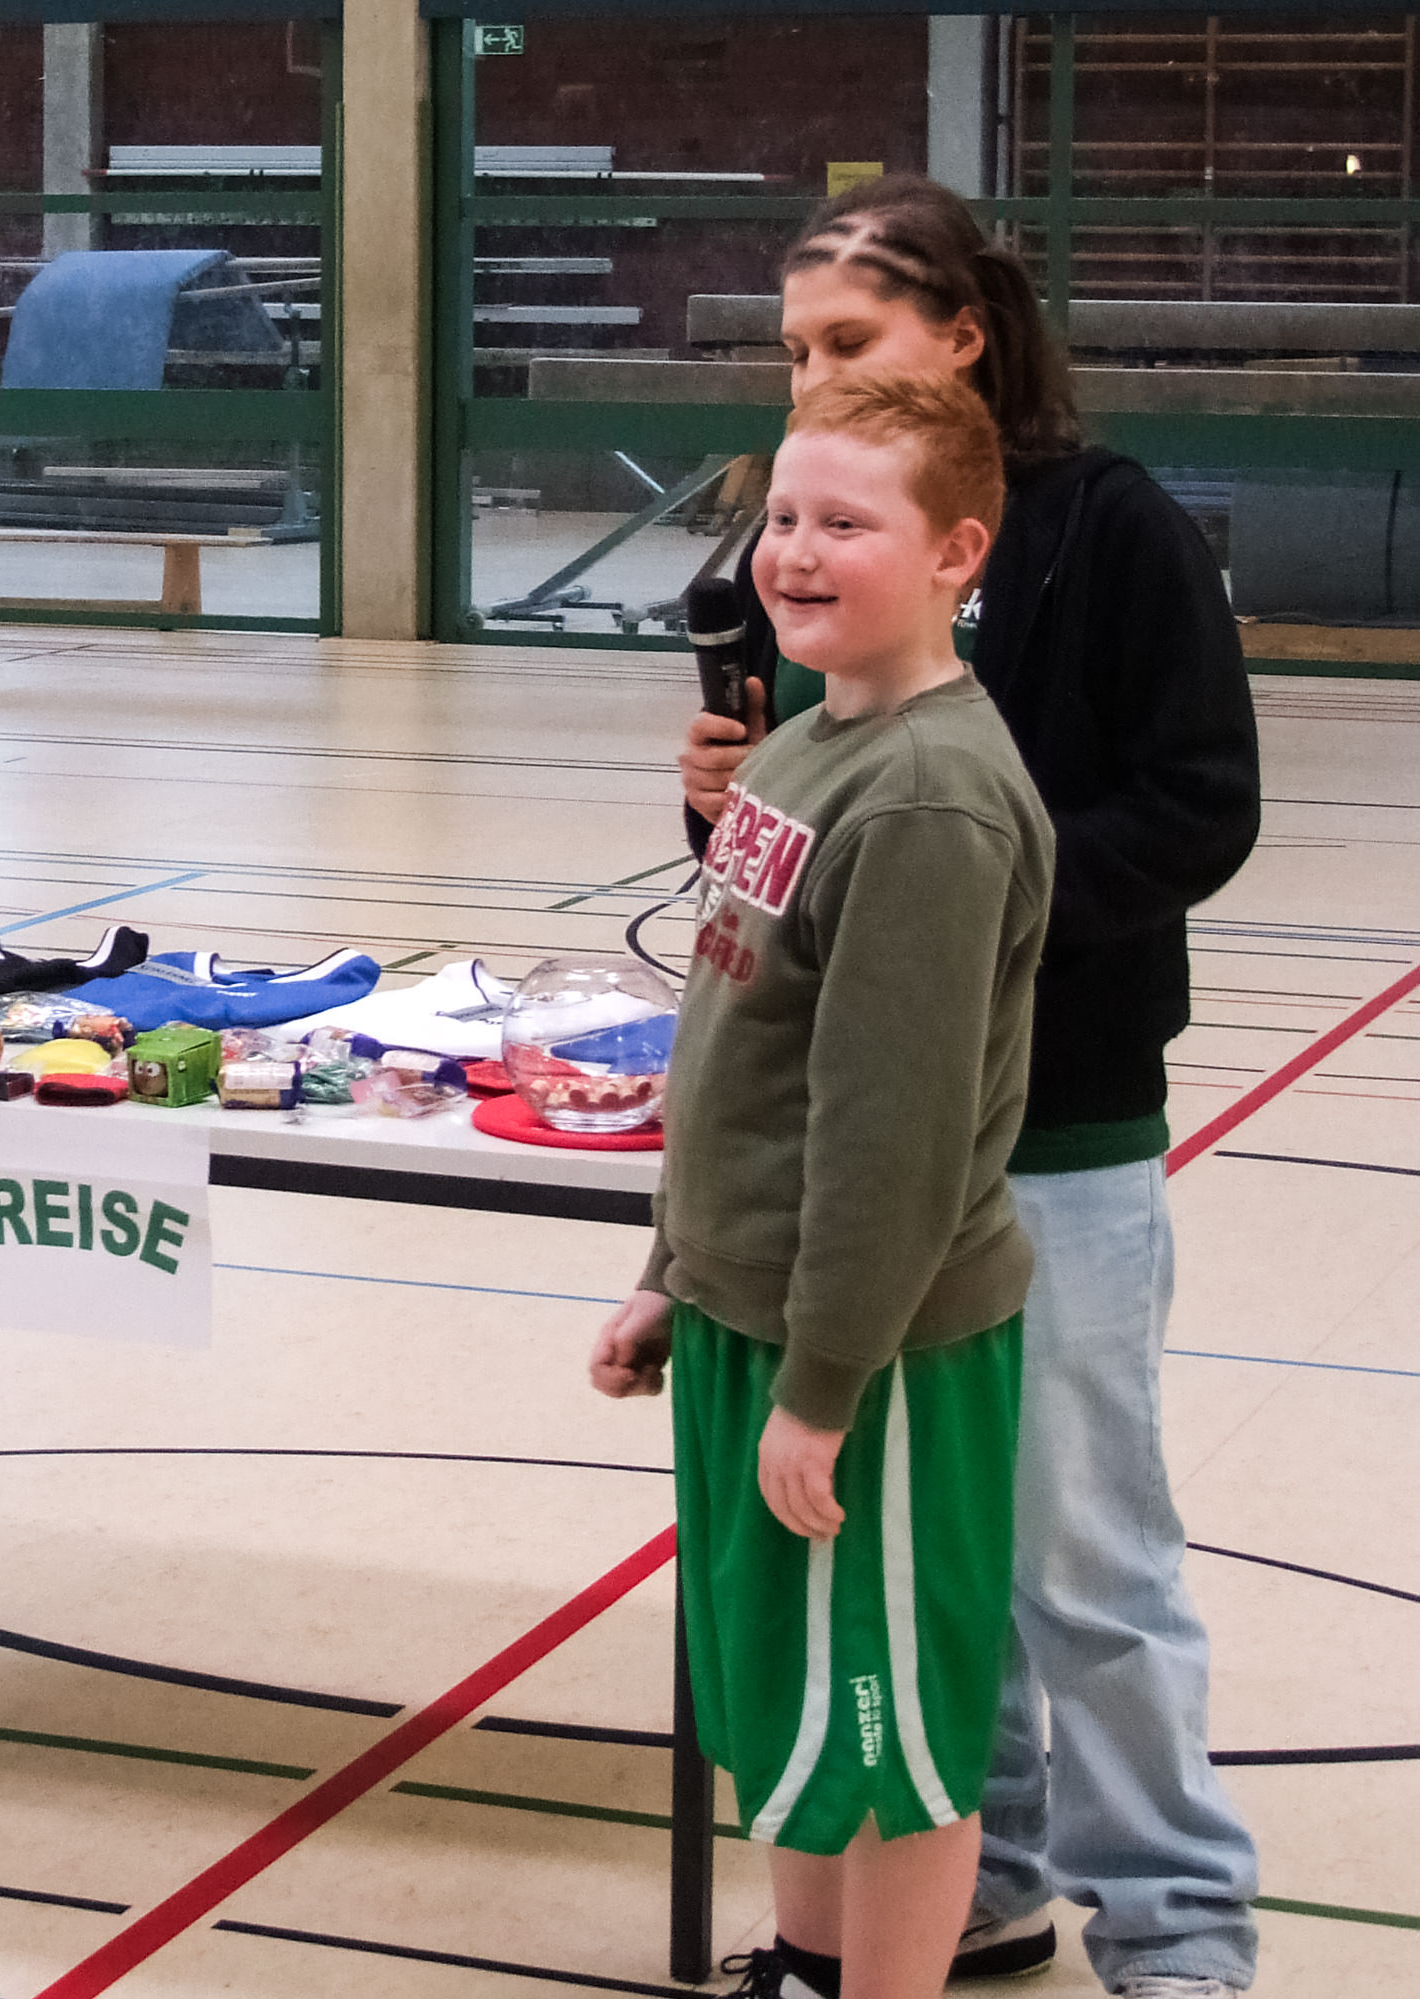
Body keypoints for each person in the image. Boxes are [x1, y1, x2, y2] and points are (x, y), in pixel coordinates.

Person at [675, 176, 1263, 1998]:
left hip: (1055, 1126)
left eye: (847, 342)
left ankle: (1178, 1930)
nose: (810, 380)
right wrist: (733, 806)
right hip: (861, 1143)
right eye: (793, 353)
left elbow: (1200, 805)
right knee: (932, 1560)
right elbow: (821, 860)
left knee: (1084, 1560)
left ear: (964, 338)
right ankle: (978, 1876)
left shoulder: (1113, 528)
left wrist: (972, 913)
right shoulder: (813, 540)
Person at [595, 370, 1055, 1999]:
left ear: (956, 554)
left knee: (893, 1730)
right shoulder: (803, 745)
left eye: (846, 523)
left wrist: (826, 1383)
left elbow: (892, 1138)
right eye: (781, 515)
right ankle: (804, 1963)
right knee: (786, 1692)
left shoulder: (929, 799)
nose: (793, 551)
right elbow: (737, 1050)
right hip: (752, 1309)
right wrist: (675, 1268)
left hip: (876, 1353)